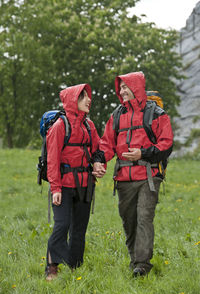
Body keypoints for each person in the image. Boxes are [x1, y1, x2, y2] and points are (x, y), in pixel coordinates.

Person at [93, 72, 173, 277]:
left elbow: (166, 144)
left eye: (125, 87)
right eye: (120, 88)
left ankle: (142, 265)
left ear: (136, 87)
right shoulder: (116, 116)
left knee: (144, 218)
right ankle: (135, 260)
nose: (122, 91)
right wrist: (100, 161)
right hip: (124, 178)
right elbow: (106, 144)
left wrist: (143, 153)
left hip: (149, 175)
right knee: (129, 220)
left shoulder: (157, 114)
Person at [45, 83, 100, 281]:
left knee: (79, 230)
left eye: (88, 96)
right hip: (63, 186)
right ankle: (52, 267)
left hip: (85, 185)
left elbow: (97, 150)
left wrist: (99, 165)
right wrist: (55, 188)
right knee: (62, 225)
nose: (88, 100)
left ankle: (75, 267)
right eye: (83, 97)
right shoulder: (60, 126)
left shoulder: (89, 125)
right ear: (72, 101)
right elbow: (52, 160)